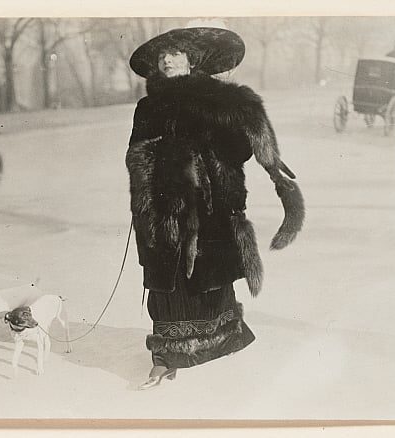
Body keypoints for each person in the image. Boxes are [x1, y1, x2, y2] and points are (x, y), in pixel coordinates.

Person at [126, 27, 305, 390]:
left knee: (209, 271)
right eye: (161, 58)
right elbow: (137, 153)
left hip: (211, 205)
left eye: (175, 54)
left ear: (191, 60)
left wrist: (266, 166)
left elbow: (242, 140)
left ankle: (222, 340)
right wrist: (152, 187)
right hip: (163, 207)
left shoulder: (216, 98)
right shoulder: (148, 106)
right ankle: (166, 356)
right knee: (168, 278)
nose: (167, 61)